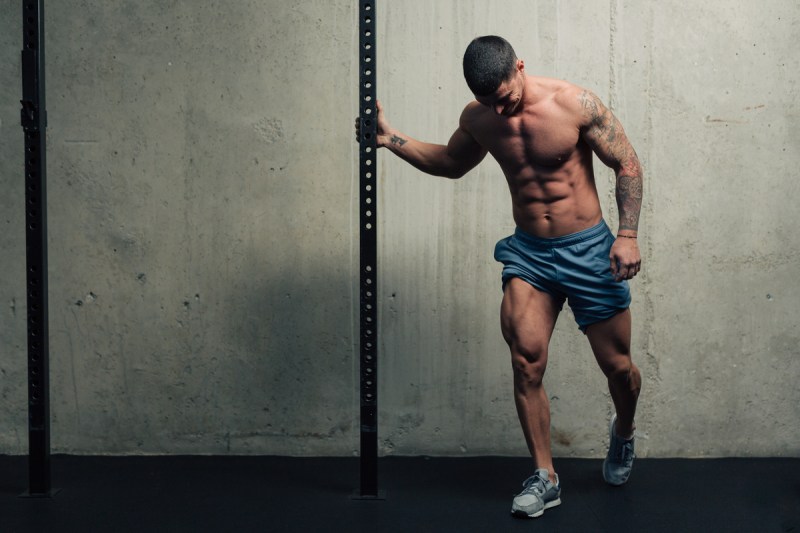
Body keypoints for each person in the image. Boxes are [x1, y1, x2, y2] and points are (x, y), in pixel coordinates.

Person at [355, 35, 643, 519]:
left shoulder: (574, 103)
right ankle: (545, 477)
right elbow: (450, 164)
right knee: (526, 361)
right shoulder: (480, 117)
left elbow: (626, 162)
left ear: (520, 67)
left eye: (505, 96)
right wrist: (390, 140)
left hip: (589, 248)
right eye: (490, 102)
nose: (501, 110)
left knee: (619, 370)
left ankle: (625, 432)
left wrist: (628, 234)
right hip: (530, 253)